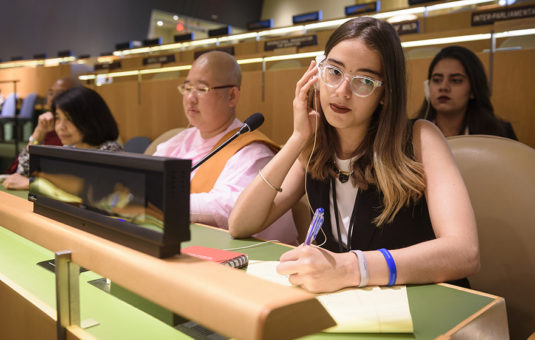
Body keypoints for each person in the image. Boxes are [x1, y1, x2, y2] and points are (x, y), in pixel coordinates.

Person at [229, 17, 479, 293]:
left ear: (385, 94)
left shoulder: (420, 138)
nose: (342, 91)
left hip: (426, 308)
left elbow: (464, 252)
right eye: (334, 72)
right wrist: (298, 138)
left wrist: (348, 267)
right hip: (351, 309)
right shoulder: (315, 148)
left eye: (364, 81)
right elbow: (241, 224)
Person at [153, 51, 298, 245]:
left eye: (201, 89)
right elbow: (148, 178)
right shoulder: (178, 141)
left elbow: (225, 207)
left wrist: (156, 199)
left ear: (231, 96)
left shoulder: (252, 151)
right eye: (187, 88)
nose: (190, 98)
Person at [2, 86, 122, 190]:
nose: (61, 127)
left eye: (69, 119)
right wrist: (38, 133)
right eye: (58, 118)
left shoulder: (109, 150)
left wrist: (34, 183)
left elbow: (93, 190)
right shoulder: (69, 148)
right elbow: (24, 172)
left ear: (91, 120)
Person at [416, 45, 517, 139]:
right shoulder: (411, 133)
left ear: (473, 90)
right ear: (427, 87)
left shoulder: (498, 133)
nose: (443, 87)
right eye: (437, 80)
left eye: (456, 81)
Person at [3, 77, 78, 185]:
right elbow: (21, 172)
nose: (53, 99)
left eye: (61, 94)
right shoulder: (47, 126)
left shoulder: (80, 133)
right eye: (51, 93)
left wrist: (31, 183)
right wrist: (38, 134)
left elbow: (81, 182)